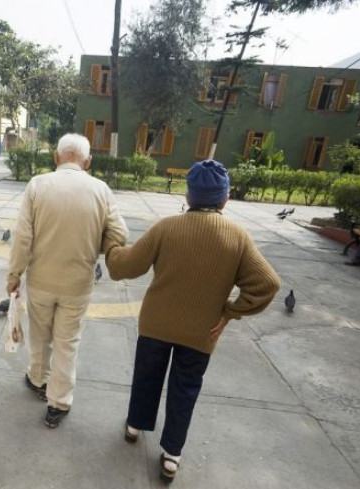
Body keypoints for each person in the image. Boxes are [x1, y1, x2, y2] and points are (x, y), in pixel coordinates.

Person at [105, 159, 280, 483]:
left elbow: (122, 267)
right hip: (202, 331)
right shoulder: (238, 237)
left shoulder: (167, 227)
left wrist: (111, 245)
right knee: (185, 389)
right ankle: (172, 455)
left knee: (147, 376)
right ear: (224, 199)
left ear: (188, 195)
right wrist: (230, 312)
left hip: (156, 323)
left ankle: (134, 426)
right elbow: (268, 284)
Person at [7, 133, 129, 428]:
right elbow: (120, 235)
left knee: (40, 334)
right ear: (88, 161)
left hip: (40, 281)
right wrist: (92, 248)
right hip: (78, 284)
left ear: (56, 157)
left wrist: (14, 274)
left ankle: (38, 378)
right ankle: (58, 404)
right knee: (67, 343)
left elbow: (23, 236)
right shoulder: (101, 190)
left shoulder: (38, 185)